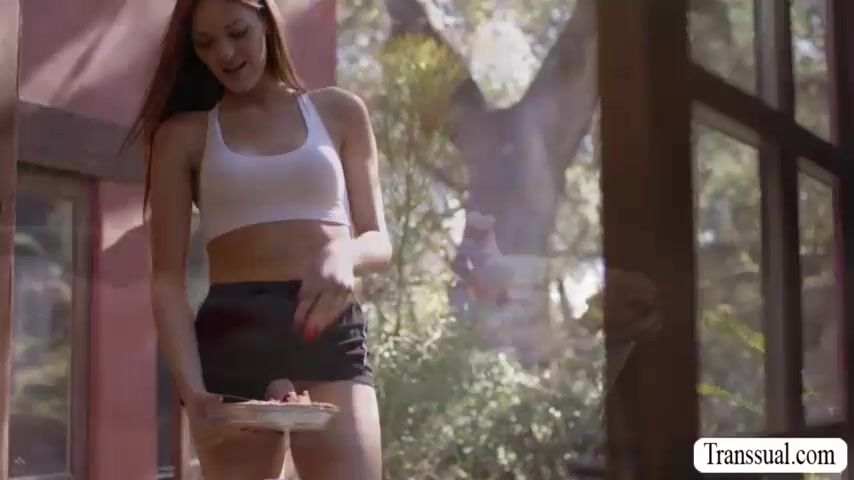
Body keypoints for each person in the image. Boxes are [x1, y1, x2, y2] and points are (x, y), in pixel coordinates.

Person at [123, 0, 391, 478]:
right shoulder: (182, 137)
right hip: (233, 337)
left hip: (326, 328)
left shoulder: (340, 111)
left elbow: (378, 240)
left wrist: (343, 253)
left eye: (237, 32)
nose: (225, 54)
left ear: (265, 20)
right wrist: (194, 393)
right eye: (205, 44)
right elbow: (166, 281)